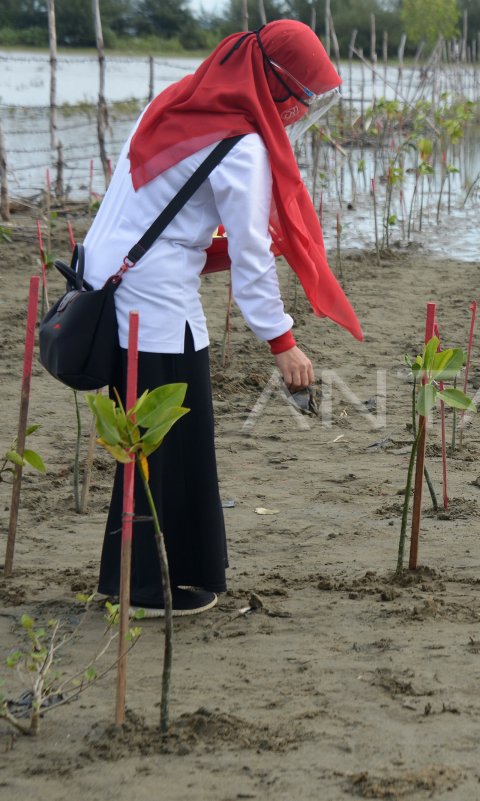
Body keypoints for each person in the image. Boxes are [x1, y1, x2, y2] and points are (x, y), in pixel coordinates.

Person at [84, 20, 363, 615]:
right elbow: (252, 262)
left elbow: (151, 209)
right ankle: (161, 588)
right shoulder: (242, 144)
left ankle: (126, 581)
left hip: (109, 288)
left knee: (145, 444)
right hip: (155, 308)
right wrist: (282, 342)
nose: (297, 111)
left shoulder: (176, 100)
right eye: (301, 97)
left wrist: (220, 252)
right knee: (172, 443)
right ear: (275, 83)